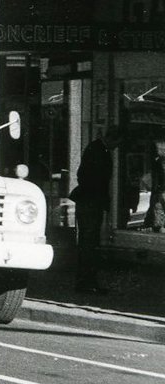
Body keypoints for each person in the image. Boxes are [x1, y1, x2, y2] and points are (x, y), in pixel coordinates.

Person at [70, 125, 121, 293]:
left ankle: (87, 281)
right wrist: (98, 197)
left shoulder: (97, 149)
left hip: (91, 201)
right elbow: (88, 176)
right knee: (89, 243)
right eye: (116, 143)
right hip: (90, 202)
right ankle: (86, 282)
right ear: (111, 138)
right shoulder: (98, 150)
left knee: (90, 242)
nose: (116, 148)